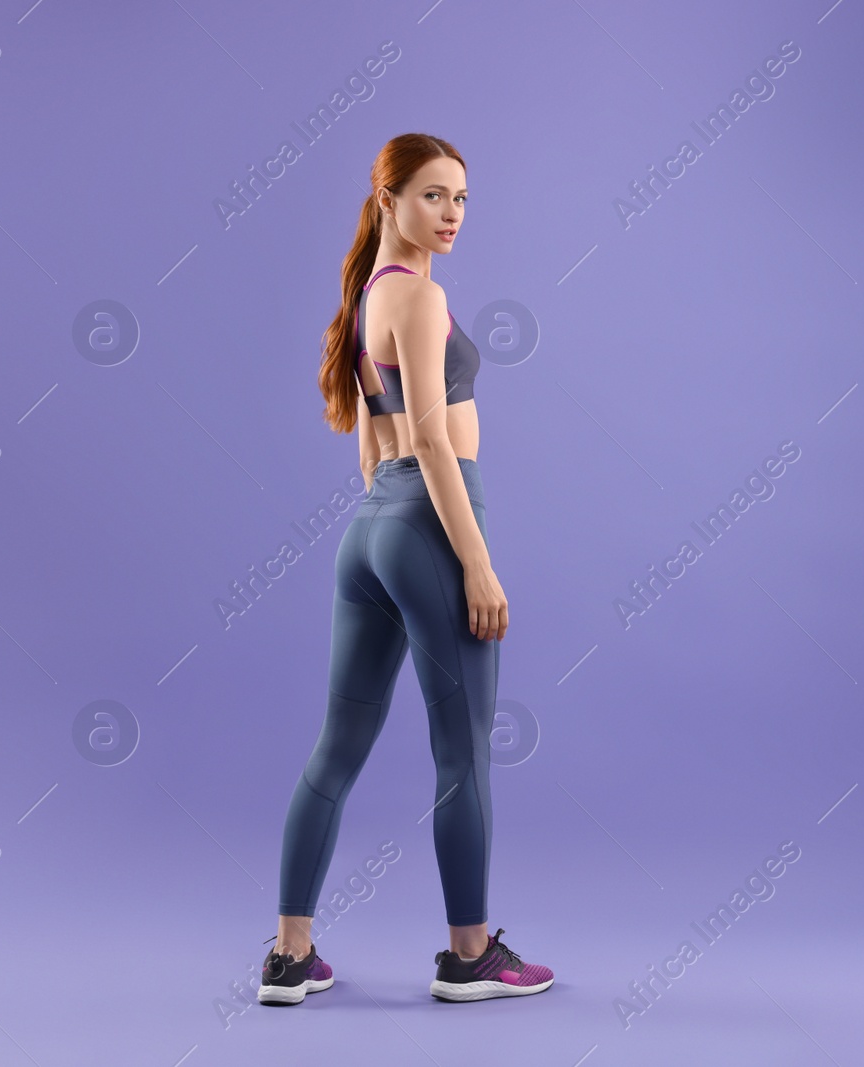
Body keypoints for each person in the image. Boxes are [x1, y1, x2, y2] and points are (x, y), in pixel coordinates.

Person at [256, 132, 552, 1007]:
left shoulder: (364, 300)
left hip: (372, 528)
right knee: (461, 751)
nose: (453, 214)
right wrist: (477, 563)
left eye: (462, 197)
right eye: (433, 195)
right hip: (432, 519)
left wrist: (386, 524)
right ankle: (469, 957)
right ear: (388, 199)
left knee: (337, 746)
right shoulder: (419, 299)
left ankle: (289, 955)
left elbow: (376, 447)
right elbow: (427, 438)